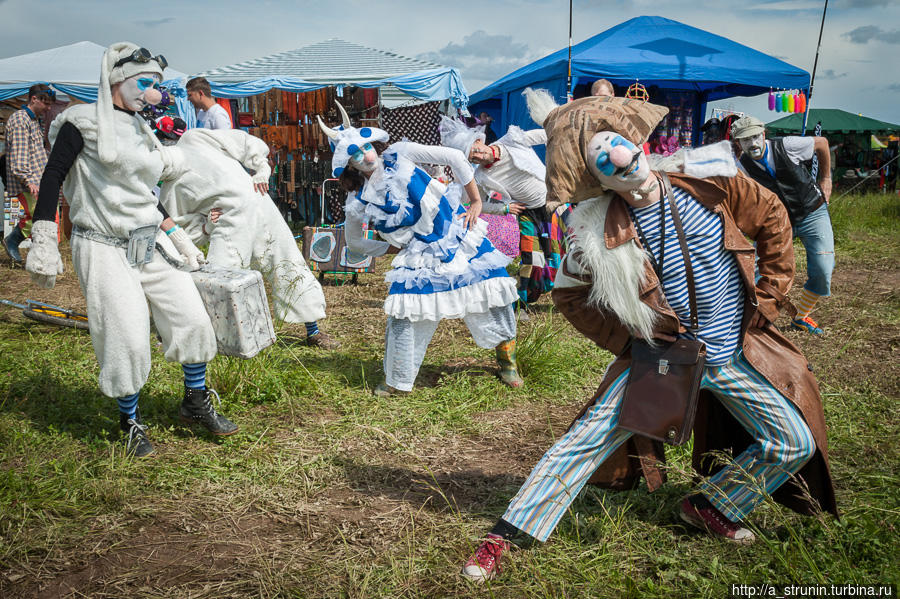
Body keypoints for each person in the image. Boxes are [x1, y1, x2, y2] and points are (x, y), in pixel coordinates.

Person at [460, 92, 837, 583]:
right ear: (597, 177)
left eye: (615, 142)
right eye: (601, 157)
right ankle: (505, 536)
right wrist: (630, 340)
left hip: (731, 355)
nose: (617, 155)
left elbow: (771, 216)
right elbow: (569, 296)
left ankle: (713, 507)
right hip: (662, 363)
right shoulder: (596, 235)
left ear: (633, 139)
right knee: (585, 440)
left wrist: (768, 296)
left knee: (792, 441)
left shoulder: (708, 181)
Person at [26, 42, 239, 458]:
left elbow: (141, 193)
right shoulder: (82, 123)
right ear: (117, 81)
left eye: (156, 85)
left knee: (192, 318)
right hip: (102, 245)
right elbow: (52, 177)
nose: (152, 93)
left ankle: (194, 402)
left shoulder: (142, 128)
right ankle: (130, 420)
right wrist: (44, 236)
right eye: (145, 83)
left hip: (150, 242)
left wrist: (174, 232)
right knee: (126, 334)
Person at [318, 103, 524, 395]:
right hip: (418, 256)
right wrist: (391, 250)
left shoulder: (401, 152)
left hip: (457, 237)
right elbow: (353, 244)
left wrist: (476, 201)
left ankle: (508, 364)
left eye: (365, 147)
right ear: (348, 165)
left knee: (494, 292)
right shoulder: (359, 202)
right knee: (405, 315)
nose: (364, 155)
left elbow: (454, 156)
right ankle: (397, 380)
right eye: (354, 154)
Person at [156, 125, 335, 348]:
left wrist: (261, 169)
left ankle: (313, 330)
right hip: (230, 225)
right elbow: (182, 229)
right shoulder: (170, 189)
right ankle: (220, 340)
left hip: (259, 203)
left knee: (288, 263)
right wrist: (207, 227)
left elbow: (244, 143)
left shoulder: (197, 138)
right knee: (220, 282)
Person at [439, 114, 569, 306]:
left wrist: (564, 132)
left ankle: (581, 289)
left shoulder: (511, 140)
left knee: (570, 248)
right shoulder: (481, 176)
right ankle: (523, 299)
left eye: (476, 150)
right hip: (528, 215)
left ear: (479, 141)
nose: (478, 156)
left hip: (553, 203)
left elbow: (543, 135)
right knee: (531, 260)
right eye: (472, 157)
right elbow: (478, 203)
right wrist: (504, 208)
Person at [731, 116, 834, 335]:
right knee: (756, 273)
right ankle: (756, 319)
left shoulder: (787, 145)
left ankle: (801, 316)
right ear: (738, 143)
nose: (753, 144)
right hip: (778, 222)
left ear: (764, 134)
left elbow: (822, 143)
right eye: (745, 140)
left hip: (812, 212)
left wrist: (826, 179)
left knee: (823, 270)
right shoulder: (741, 168)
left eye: (755, 137)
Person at [3, 84, 55, 263]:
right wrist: (29, 180)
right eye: (46, 104)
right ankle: (13, 240)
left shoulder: (33, 120)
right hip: (29, 182)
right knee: (39, 217)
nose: (48, 108)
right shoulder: (20, 121)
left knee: (49, 216)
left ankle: (43, 256)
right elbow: (19, 157)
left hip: (40, 180)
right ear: (34, 99)